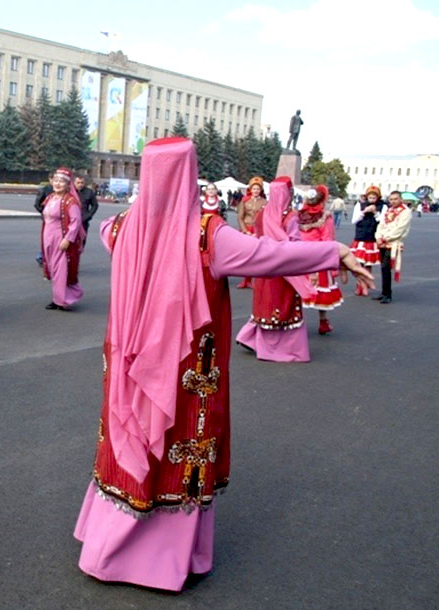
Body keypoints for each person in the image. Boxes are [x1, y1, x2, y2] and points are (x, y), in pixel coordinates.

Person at [73, 137, 374, 592]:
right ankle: (165, 558)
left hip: (130, 366)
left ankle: (108, 545)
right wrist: (334, 252)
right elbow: (271, 255)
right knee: (181, 446)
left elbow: (107, 234)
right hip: (186, 369)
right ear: (190, 174)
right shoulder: (208, 234)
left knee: (127, 437)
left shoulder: (119, 229)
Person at [235, 176, 317, 362]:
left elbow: (257, 235)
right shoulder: (289, 216)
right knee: (284, 306)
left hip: (264, 266)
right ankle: (281, 349)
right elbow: (294, 242)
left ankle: (253, 340)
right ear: (288, 193)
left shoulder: (263, 213)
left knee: (265, 305)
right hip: (284, 268)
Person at [298, 185, 343, 334]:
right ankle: (323, 322)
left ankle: (296, 322)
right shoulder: (325, 217)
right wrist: (333, 265)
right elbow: (328, 240)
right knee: (320, 293)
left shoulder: (299, 215)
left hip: (299, 257)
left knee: (298, 291)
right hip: (318, 257)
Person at [40, 167, 85, 311]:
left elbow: (76, 221)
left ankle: (61, 300)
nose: (58, 184)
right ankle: (57, 297)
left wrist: (68, 239)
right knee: (52, 269)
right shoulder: (50, 198)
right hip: (48, 237)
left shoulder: (70, 201)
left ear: (67, 185)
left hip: (61, 238)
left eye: (62, 181)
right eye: (56, 180)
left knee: (60, 269)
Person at [372, 191, 411, 304]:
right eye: (391, 199)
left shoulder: (405, 212)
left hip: (393, 243)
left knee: (386, 267)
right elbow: (381, 224)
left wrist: (386, 238)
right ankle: (384, 292)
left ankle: (388, 294)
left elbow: (400, 229)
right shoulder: (389, 210)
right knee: (384, 268)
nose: (393, 201)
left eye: (395, 199)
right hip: (383, 242)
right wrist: (378, 236)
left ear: (401, 199)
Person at [350, 185, 387, 296]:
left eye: (374, 197)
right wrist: (364, 212)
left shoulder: (383, 206)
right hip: (360, 237)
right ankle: (359, 285)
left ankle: (365, 286)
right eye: (370, 196)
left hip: (372, 238)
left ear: (378, 197)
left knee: (368, 265)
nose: (371, 199)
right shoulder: (360, 205)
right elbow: (354, 220)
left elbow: (383, 221)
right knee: (358, 265)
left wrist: (375, 212)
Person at [236, 176, 266, 288]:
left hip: (258, 230)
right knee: (246, 256)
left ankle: (255, 280)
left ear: (261, 190)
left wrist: (259, 232)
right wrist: (245, 231)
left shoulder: (265, 202)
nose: (256, 191)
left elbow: (266, 218)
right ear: (250, 189)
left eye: (258, 189)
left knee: (257, 256)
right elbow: (240, 217)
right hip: (247, 229)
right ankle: (245, 280)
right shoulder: (245, 201)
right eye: (254, 189)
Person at [34, 173, 54, 266]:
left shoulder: (63, 190)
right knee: (47, 239)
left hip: (58, 219)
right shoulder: (45, 190)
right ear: (50, 179)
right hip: (48, 219)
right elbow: (37, 204)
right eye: (54, 179)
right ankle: (41, 256)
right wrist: (44, 212)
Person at [74, 174, 98, 245]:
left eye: (82, 183)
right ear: (74, 183)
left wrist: (89, 215)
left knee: (81, 242)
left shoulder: (89, 192)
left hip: (83, 220)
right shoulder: (70, 192)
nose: (80, 185)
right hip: (71, 220)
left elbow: (95, 205)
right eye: (78, 183)